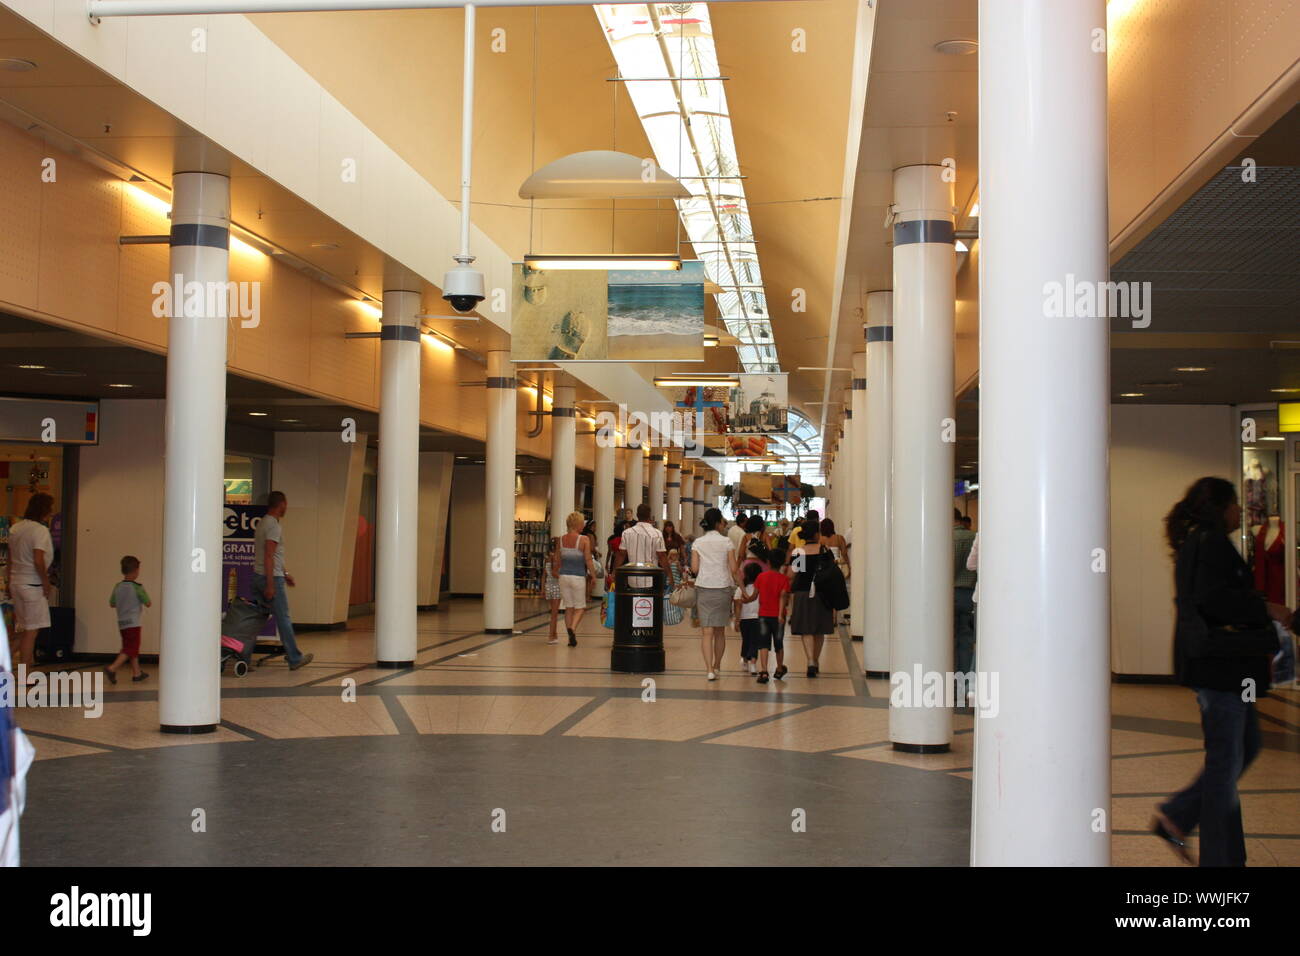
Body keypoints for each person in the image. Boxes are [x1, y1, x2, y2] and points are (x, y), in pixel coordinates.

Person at [1154, 477, 1293, 866]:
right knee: (1226, 761)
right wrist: (1263, 609)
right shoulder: (1209, 543)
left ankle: (1180, 817)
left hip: (1232, 671)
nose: (1239, 512)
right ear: (1221, 507)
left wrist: (1260, 605)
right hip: (1221, 668)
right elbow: (1216, 602)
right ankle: (1219, 856)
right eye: (1235, 504)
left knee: (1243, 749)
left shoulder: (1202, 543)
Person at [253, 491, 315, 671]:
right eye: (286, 504)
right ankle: (295, 658)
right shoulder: (273, 526)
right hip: (270, 578)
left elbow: (273, 556)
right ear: (281, 504)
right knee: (283, 618)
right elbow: (269, 556)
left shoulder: (262, 523)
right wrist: (271, 584)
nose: (286, 507)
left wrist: (285, 572)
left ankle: (243, 653)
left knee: (254, 619)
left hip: (258, 576)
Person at [7, 493, 55, 684]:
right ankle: (24, 676)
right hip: (32, 584)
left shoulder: (15, 528)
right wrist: (45, 581)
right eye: (50, 508)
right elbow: (38, 560)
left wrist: (8, 582)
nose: (52, 512)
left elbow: (10, 559)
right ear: (44, 510)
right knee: (31, 632)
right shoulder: (40, 530)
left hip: (16, 582)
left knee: (24, 629)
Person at [690, 507, 738, 680]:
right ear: (718, 523)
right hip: (723, 588)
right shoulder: (727, 542)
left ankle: (709, 669)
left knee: (706, 632)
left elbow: (695, 569)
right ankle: (717, 665)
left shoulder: (697, 543)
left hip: (704, 588)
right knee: (719, 632)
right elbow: (733, 568)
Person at [787, 519, 833, 677]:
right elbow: (831, 571)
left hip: (802, 592)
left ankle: (810, 660)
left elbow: (791, 575)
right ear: (816, 534)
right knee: (819, 629)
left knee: (806, 628)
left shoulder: (799, 552)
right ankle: (816, 660)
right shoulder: (824, 551)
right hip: (822, 593)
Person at [104, 555, 151, 684]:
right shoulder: (137, 587)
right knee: (131, 648)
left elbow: (112, 603)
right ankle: (112, 668)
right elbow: (148, 603)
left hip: (122, 623)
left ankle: (137, 673)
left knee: (130, 647)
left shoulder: (117, 587)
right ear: (136, 570)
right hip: (134, 623)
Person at [553, 511, 593, 646]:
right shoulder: (584, 539)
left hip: (563, 577)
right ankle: (572, 629)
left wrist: (556, 572)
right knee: (580, 607)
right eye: (582, 522)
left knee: (569, 607)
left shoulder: (561, 540)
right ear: (577, 524)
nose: (584, 525)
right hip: (578, 577)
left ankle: (571, 638)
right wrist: (593, 575)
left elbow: (557, 560)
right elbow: (588, 559)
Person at [755, 548, 791, 683]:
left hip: (763, 615)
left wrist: (745, 597)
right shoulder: (784, 579)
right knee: (779, 643)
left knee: (763, 644)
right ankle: (780, 668)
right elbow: (783, 597)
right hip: (778, 617)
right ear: (782, 563)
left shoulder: (761, 577)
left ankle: (764, 671)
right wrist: (781, 614)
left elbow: (754, 595)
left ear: (768, 562)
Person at [953, 508, 978, 690]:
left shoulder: (946, 538)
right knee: (967, 640)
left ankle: (949, 682)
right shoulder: (973, 536)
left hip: (950, 595)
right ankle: (965, 683)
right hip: (969, 595)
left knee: (948, 640)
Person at [733, 563, 762, 676]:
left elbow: (737, 605)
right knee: (751, 641)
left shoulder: (742, 589)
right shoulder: (757, 589)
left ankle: (749, 662)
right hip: (753, 619)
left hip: (749, 619)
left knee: (749, 640)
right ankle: (749, 662)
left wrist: (737, 620)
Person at [542, 537, 562, 645]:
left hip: (548, 586)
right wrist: (564, 578)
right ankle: (551, 635)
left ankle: (555, 634)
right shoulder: (556, 558)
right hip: (556, 586)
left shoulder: (547, 557)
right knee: (554, 613)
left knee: (553, 612)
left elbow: (544, 574)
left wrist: (542, 589)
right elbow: (555, 573)